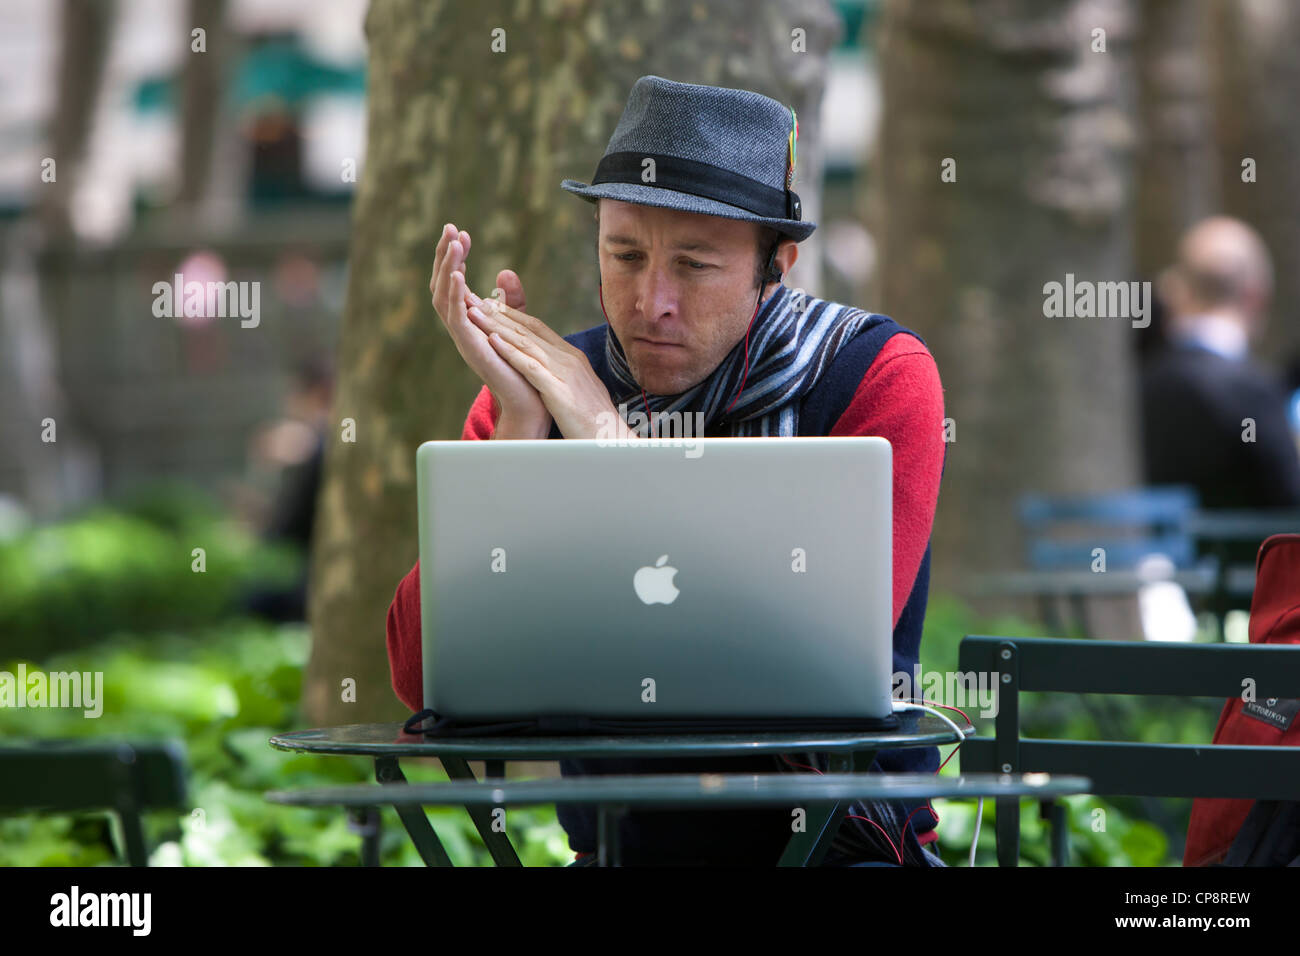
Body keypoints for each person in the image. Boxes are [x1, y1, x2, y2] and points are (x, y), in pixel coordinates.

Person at [384, 76, 946, 866]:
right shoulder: (544, 385)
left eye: (694, 265)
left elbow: (805, 660)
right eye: (625, 254)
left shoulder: (876, 373)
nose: (653, 301)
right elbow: (420, 675)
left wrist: (609, 444)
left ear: (776, 263)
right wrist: (517, 430)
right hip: (619, 850)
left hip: (837, 845)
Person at [1141, 217, 1300, 567]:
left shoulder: (1142, 383)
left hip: (1169, 581)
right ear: (1254, 296)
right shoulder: (1251, 389)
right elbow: (1290, 500)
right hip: (1249, 588)